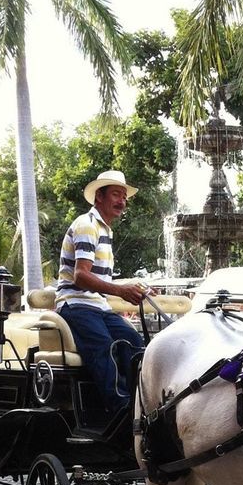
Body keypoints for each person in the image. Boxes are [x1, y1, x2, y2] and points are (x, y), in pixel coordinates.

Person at [54, 170, 149, 425]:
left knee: (135, 344)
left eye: (124, 197)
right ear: (99, 197)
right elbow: (81, 277)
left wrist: (134, 289)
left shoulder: (105, 230)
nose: (122, 201)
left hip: (97, 305)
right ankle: (121, 414)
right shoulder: (87, 225)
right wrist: (121, 291)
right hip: (74, 304)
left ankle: (141, 404)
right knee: (106, 346)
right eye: (116, 195)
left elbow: (101, 281)